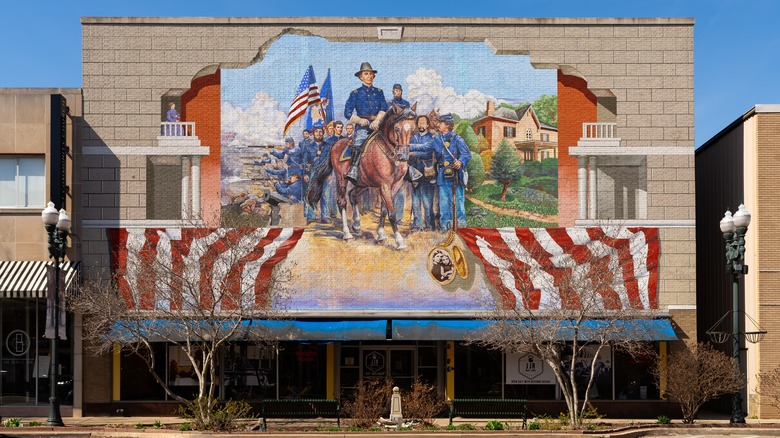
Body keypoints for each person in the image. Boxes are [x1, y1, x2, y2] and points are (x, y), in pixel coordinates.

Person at [410, 114, 471, 230]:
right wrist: (409, 146)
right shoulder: (437, 139)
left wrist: (460, 162)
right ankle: (444, 227)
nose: (438, 125)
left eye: (441, 123)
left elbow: (467, 154)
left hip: (456, 175)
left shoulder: (458, 139)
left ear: (447, 125)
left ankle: (461, 227)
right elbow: (425, 147)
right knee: (444, 204)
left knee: (458, 203)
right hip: (443, 175)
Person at [344, 62, 388, 183]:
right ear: (361, 77)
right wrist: (360, 120)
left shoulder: (379, 92)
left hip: (378, 125)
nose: (369, 76)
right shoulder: (355, 93)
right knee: (358, 143)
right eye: (366, 74)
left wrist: (378, 120)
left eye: (371, 74)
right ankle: (353, 169)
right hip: (363, 127)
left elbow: (384, 108)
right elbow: (347, 112)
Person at [409, 115, 437, 230]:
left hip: (427, 172)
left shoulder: (432, 138)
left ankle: (429, 225)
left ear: (427, 125)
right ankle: (417, 225)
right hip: (415, 171)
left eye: (423, 123)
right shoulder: (413, 138)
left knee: (427, 201)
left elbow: (428, 153)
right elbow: (408, 152)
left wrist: (413, 153)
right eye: (419, 123)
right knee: (415, 201)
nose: (421, 125)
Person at [302, 126, 332, 223]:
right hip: (312, 172)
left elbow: (331, 161)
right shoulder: (308, 147)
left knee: (325, 194)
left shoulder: (328, 146)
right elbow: (305, 161)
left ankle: (325, 216)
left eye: (320, 132)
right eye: (316, 132)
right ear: (313, 134)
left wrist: (329, 173)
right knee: (311, 193)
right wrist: (306, 174)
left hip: (325, 172)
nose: (318, 133)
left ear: (323, 133)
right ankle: (311, 216)